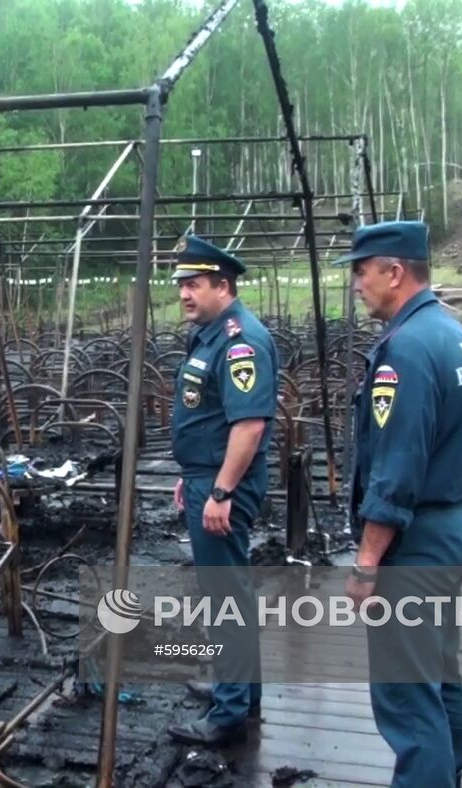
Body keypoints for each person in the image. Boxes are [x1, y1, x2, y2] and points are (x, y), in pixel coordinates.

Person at [334, 220, 462, 788]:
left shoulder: (406, 348)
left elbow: (396, 467)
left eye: (362, 271)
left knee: (406, 692)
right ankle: (450, 773)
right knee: (439, 670)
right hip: (455, 526)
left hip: (415, 540)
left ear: (394, 272)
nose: (357, 284)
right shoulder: (455, 335)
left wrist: (367, 562)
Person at [164, 233, 278, 747]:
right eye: (181, 285)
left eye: (194, 284)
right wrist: (193, 476)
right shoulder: (211, 334)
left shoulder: (239, 341)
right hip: (207, 476)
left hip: (224, 485)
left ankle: (228, 711)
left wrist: (222, 491)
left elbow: (249, 425)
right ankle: (242, 692)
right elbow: (209, 416)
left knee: (224, 596)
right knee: (232, 590)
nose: (185, 294)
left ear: (223, 286)